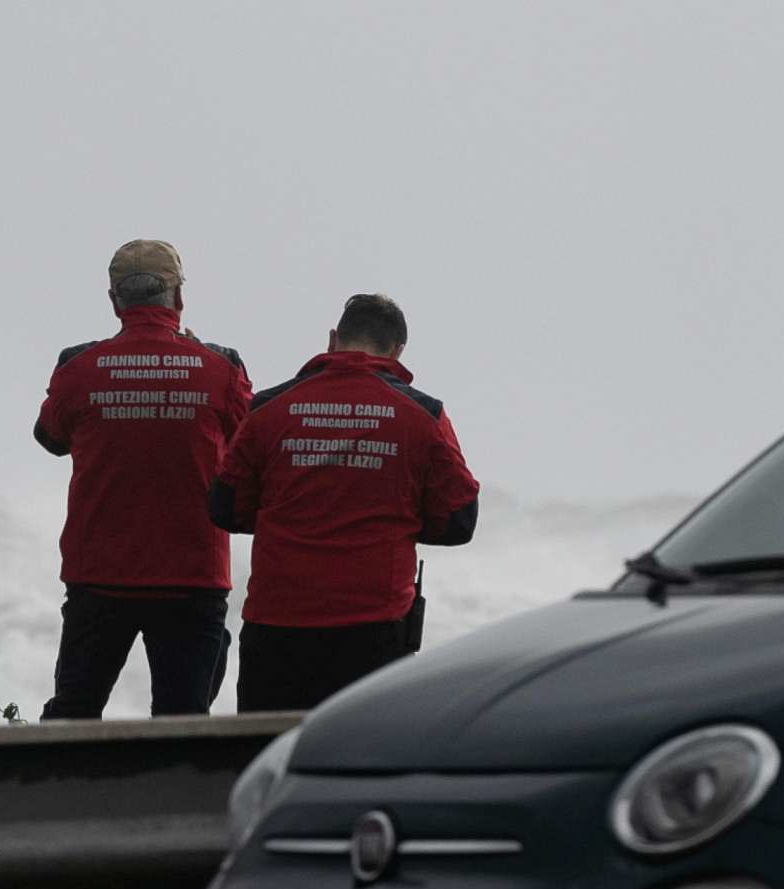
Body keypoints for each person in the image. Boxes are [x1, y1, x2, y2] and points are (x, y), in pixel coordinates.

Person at [209, 293, 480, 712]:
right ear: (398, 350)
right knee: (364, 763)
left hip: (277, 626)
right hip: (376, 630)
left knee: (269, 760)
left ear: (333, 339)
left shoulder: (267, 408)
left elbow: (226, 508)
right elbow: (459, 521)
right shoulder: (422, 415)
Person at [33, 239, 253, 719]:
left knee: (74, 713)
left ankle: (54, 794)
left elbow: (50, 436)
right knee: (183, 721)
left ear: (114, 300)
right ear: (178, 299)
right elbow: (248, 443)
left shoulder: (78, 366)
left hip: (99, 574)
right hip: (192, 575)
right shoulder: (221, 369)